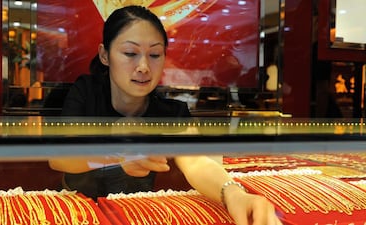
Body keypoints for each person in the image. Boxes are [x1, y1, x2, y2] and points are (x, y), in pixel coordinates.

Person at [49, 5, 282, 225]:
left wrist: (232, 193)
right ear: (105, 55)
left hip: (136, 216)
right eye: (130, 53)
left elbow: (196, 162)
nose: (143, 66)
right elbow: (59, 157)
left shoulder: (171, 112)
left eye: (155, 55)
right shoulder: (86, 92)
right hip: (77, 213)